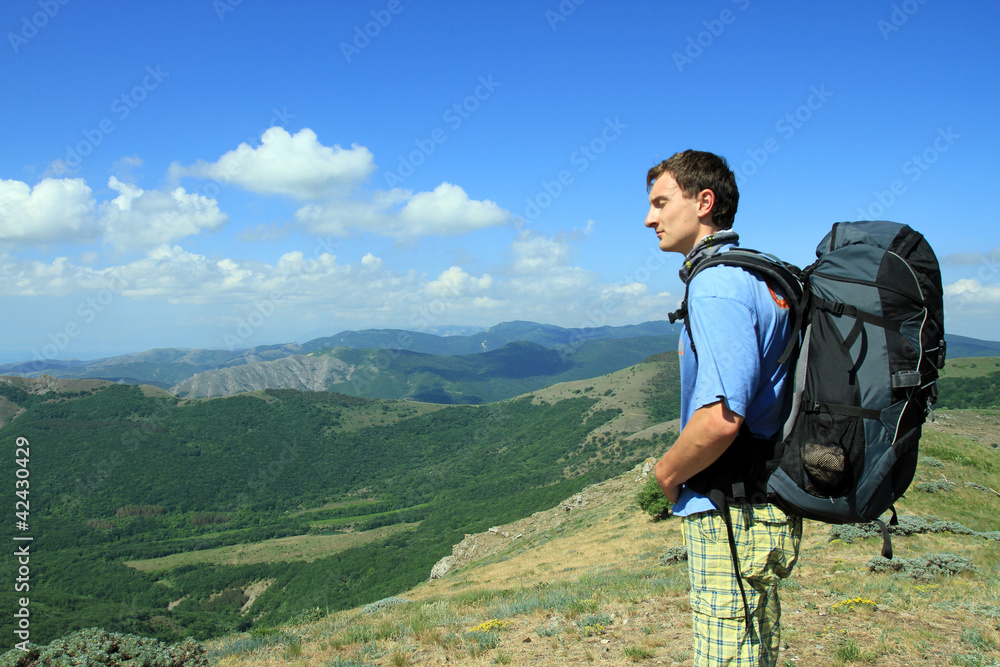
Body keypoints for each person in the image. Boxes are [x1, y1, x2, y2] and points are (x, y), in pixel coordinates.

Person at [646, 149, 802, 666]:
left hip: (730, 505)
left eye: (661, 202)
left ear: (704, 202)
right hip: (766, 496)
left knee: (725, 655)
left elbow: (719, 419)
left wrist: (666, 475)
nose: (651, 218)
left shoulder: (715, 284)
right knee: (756, 649)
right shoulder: (759, 275)